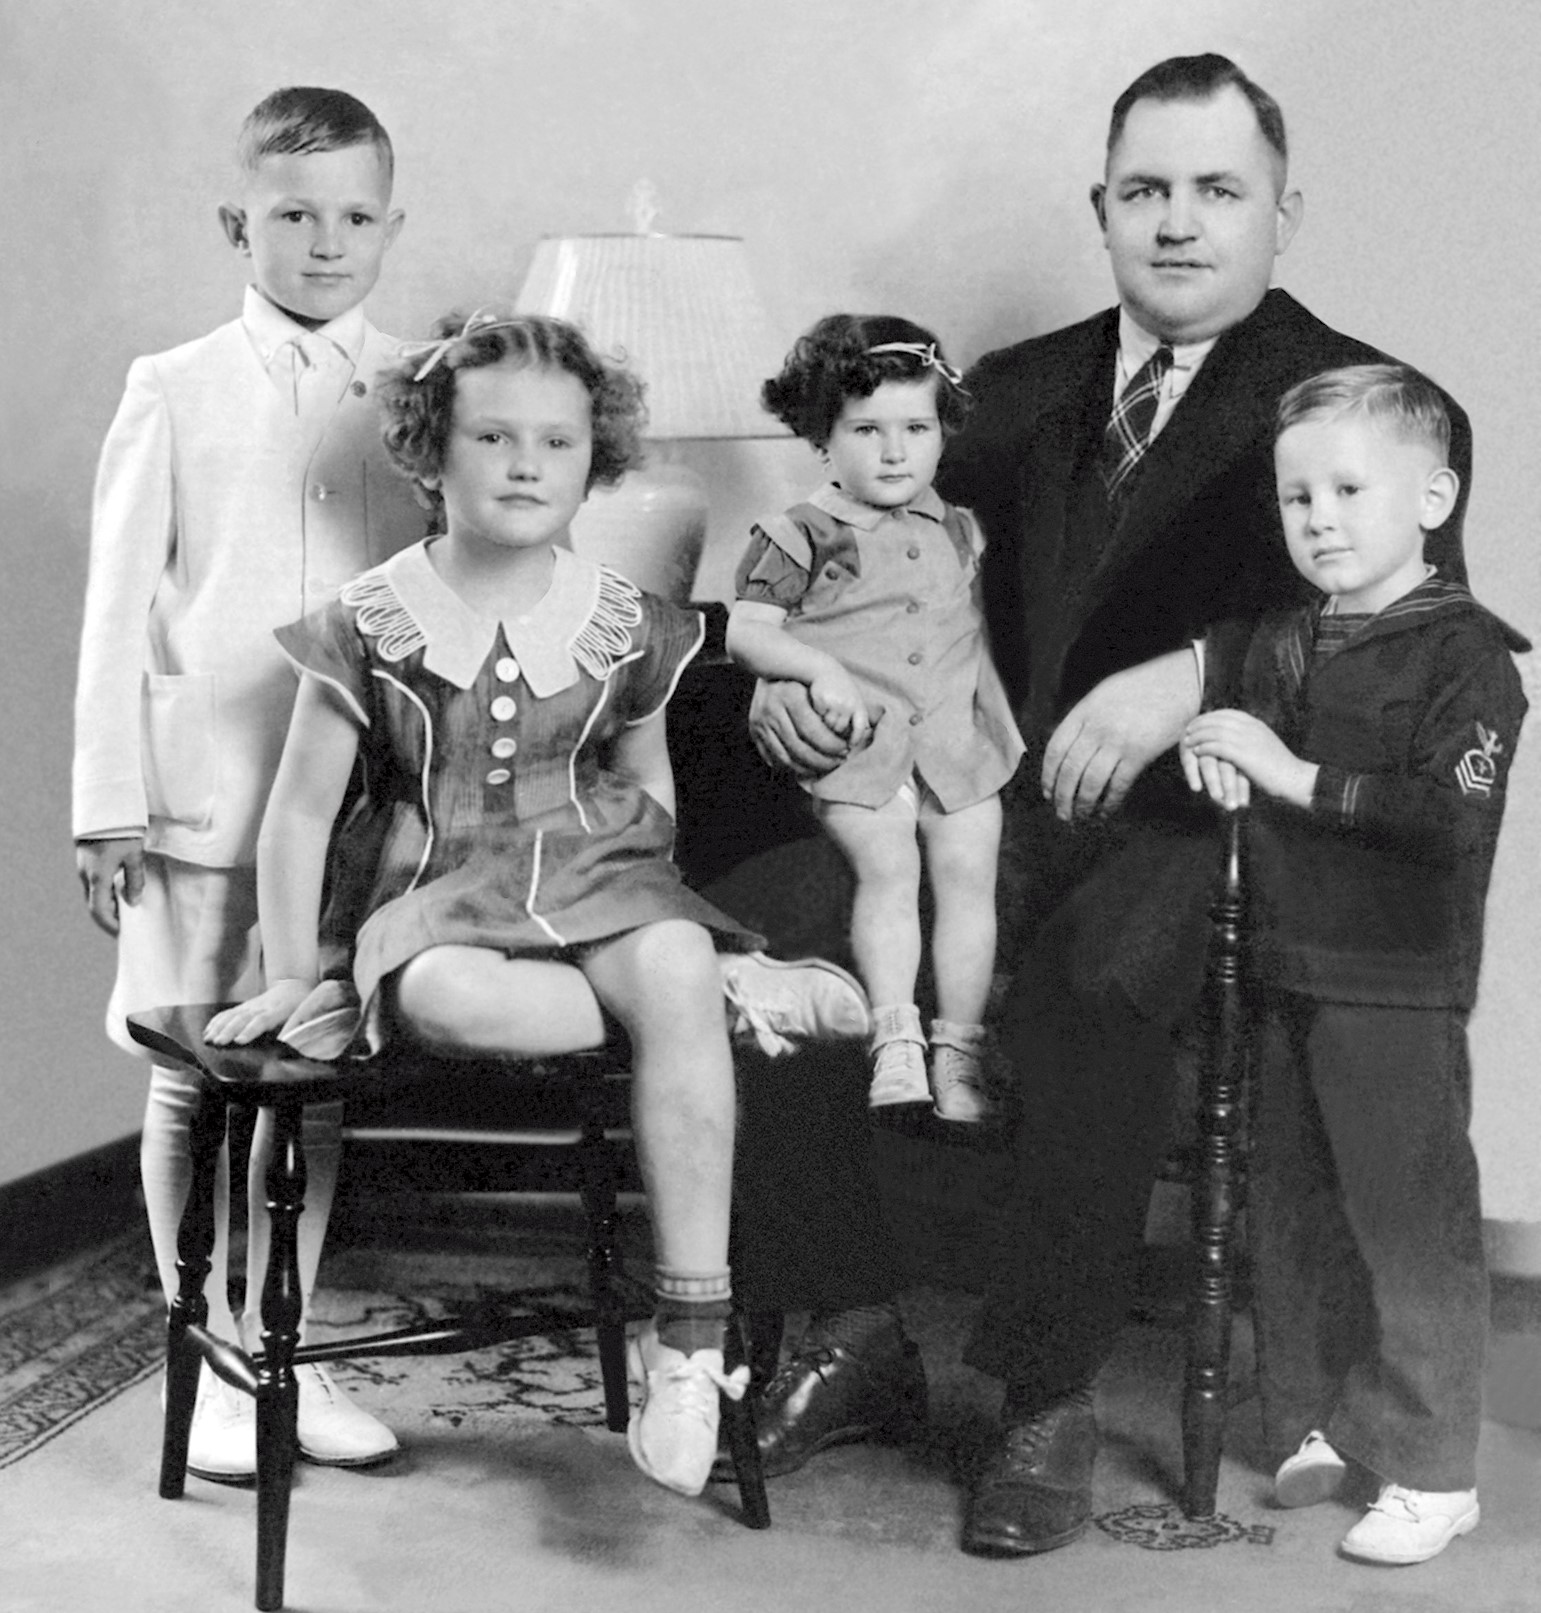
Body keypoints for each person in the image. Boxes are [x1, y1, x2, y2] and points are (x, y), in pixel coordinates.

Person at [728, 53, 1477, 1559]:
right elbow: (872, 580)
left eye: (1217, 190)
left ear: (1281, 213)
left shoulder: (1363, 405)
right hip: (978, 792)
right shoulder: (997, 393)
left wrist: (1191, 672)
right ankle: (856, 1322)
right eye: (1146, 190)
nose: (1178, 221)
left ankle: (1042, 1393)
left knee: (1093, 977)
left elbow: (1404, 639)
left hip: (1205, 822)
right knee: (777, 921)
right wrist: (784, 692)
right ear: (1102, 208)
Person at [204, 309, 870, 1498]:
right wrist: (293, 972)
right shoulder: (373, 616)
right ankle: (722, 994)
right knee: (447, 996)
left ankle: (689, 1338)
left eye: (556, 443)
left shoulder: (619, 615)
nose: (525, 464)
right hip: (437, 886)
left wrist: (654, 900)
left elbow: (647, 780)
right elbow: (299, 812)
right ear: (429, 451)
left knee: (663, 957)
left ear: (593, 457)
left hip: (598, 868)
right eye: (492, 437)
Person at [71, 85, 423, 1483]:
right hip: (201, 791)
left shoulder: (421, 386)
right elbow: (117, 608)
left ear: (391, 226)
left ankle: (286, 1343)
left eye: (355, 217)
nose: (327, 243)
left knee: (312, 1074)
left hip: (351, 803)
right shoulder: (175, 384)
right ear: (239, 223)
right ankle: (205, 1352)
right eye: (294, 215)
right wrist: (107, 804)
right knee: (193, 1072)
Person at [1179, 365, 1526, 1565]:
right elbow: (1240, 735)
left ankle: (1430, 1466)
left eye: (1346, 490)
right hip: (1285, 961)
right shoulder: (1283, 636)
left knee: (1407, 1219)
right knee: (1292, 1207)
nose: (1317, 518)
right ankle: (1318, 1413)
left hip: (1394, 980)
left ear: (1431, 499)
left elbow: (1446, 816)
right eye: (1296, 497)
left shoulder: (1467, 653)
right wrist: (1220, 752)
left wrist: (1288, 773)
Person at [725, 315, 1023, 1121]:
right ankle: (896, 1040)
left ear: (942, 430)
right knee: (889, 868)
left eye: (915, 428)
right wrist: (815, 669)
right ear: (822, 437)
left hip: (956, 738)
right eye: (866, 430)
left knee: (968, 877)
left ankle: (958, 1049)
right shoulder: (799, 533)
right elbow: (746, 631)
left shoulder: (960, 528)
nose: (894, 452)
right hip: (861, 746)